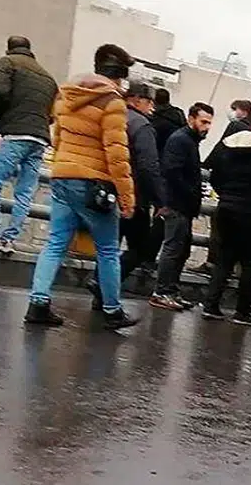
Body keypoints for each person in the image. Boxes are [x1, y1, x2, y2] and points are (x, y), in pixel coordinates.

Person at [23, 43, 138, 330]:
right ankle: (112, 311)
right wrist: (127, 197)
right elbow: (117, 153)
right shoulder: (112, 102)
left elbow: (58, 138)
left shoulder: (67, 95)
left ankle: (38, 304)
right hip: (94, 183)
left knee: (55, 243)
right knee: (108, 249)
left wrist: (61, 169)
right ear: (118, 77)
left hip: (62, 175)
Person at [0, 36, 57, 253]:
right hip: (40, 139)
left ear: (9, 48)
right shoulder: (48, 78)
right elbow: (53, 114)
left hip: (16, 134)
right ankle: (8, 239)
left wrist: (0, 115)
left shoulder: (7, 62)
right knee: (25, 193)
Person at [199, 109, 251, 326]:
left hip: (226, 210)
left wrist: (226, 195)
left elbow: (214, 175)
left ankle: (211, 305)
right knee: (250, 263)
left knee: (223, 260)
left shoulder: (227, 145)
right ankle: (242, 311)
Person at [150, 102, 213, 311]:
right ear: (191, 119)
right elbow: (172, 173)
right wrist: (191, 191)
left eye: (209, 123)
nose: (207, 127)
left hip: (184, 205)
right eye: (203, 121)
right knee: (173, 249)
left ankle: (171, 290)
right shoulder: (181, 140)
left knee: (182, 249)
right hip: (176, 204)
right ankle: (161, 292)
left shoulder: (190, 141)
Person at [107, 82, 166, 300]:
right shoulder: (141, 125)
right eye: (149, 102)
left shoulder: (113, 117)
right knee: (141, 248)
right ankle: (104, 284)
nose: (151, 107)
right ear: (138, 100)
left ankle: (102, 291)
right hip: (133, 195)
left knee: (108, 247)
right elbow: (149, 166)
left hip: (106, 192)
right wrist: (160, 200)